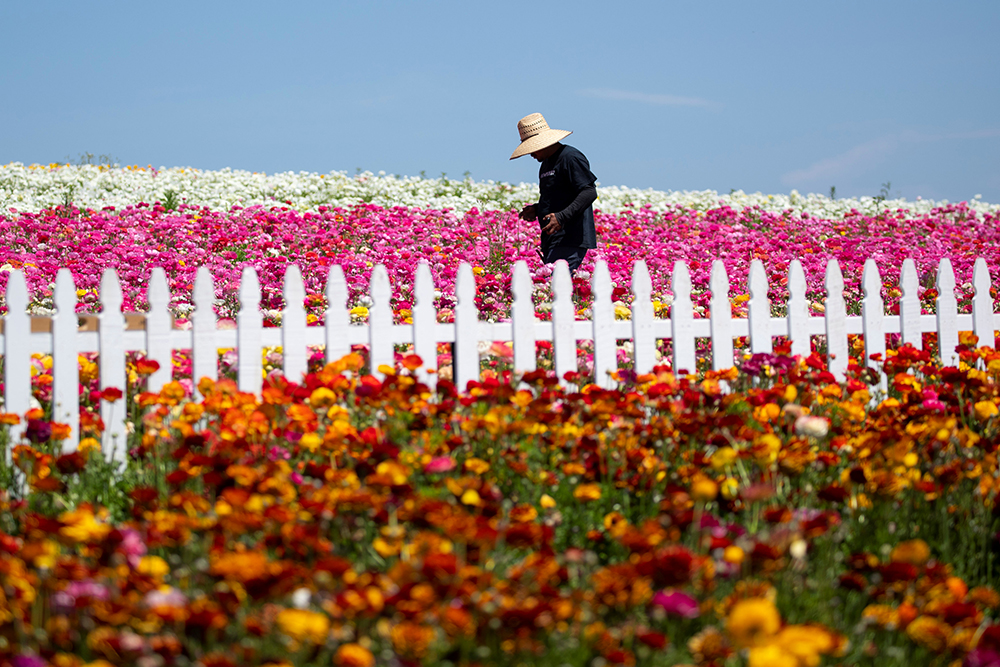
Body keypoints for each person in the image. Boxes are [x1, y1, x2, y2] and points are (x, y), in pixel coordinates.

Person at [510, 113, 598, 275]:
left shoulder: (570, 157)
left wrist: (562, 217)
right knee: (556, 289)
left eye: (532, 148)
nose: (531, 154)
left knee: (558, 287)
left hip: (570, 238)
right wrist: (537, 209)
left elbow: (589, 191)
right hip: (553, 240)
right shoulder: (546, 164)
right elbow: (559, 196)